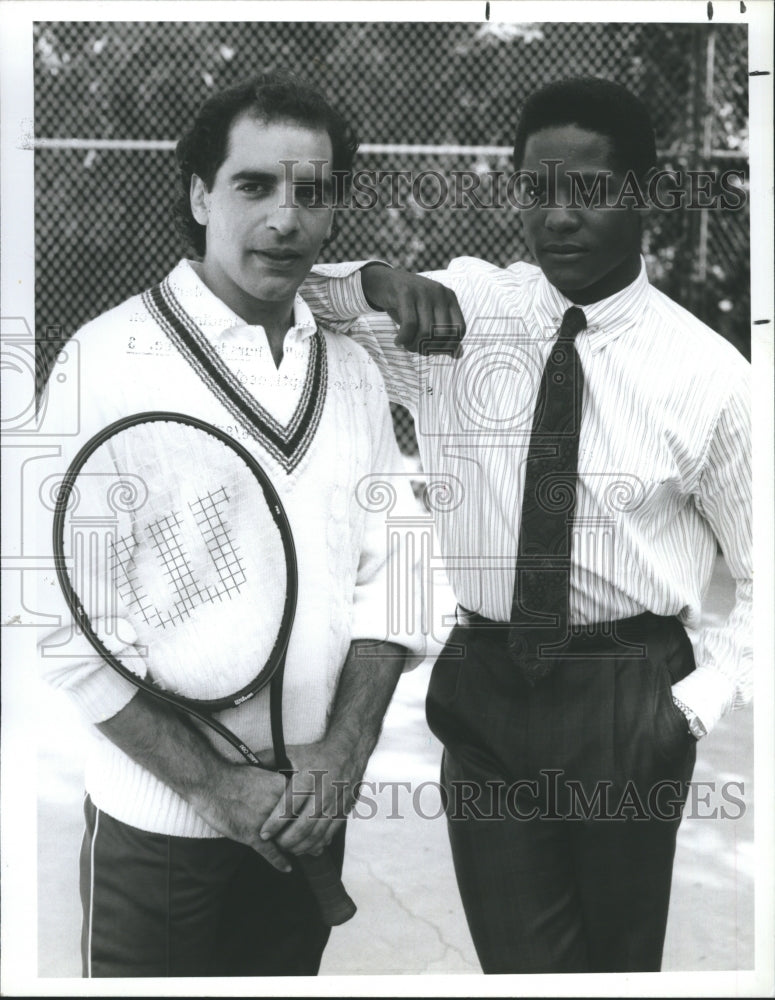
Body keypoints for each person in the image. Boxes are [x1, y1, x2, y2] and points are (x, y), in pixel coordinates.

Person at [301, 76, 752, 973]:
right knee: (523, 969)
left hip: (627, 693)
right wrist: (381, 280)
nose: (558, 218)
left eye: (586, 191)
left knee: (617, 970)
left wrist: (686, 712)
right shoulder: (464, 309)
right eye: (537, 190)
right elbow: (295, 297)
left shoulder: (710, 377)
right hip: (489, 691)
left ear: (642, 196)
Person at [36, 73, 423, 978]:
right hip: (158, 840)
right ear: (201, 193)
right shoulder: (104, 361)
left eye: (312, 192)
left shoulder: (356, 374)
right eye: (254, 185)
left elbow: (397, 571)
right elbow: (59, 625)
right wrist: (216, 789)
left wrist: (343, 751)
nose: (285, 219)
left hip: (307, 820)